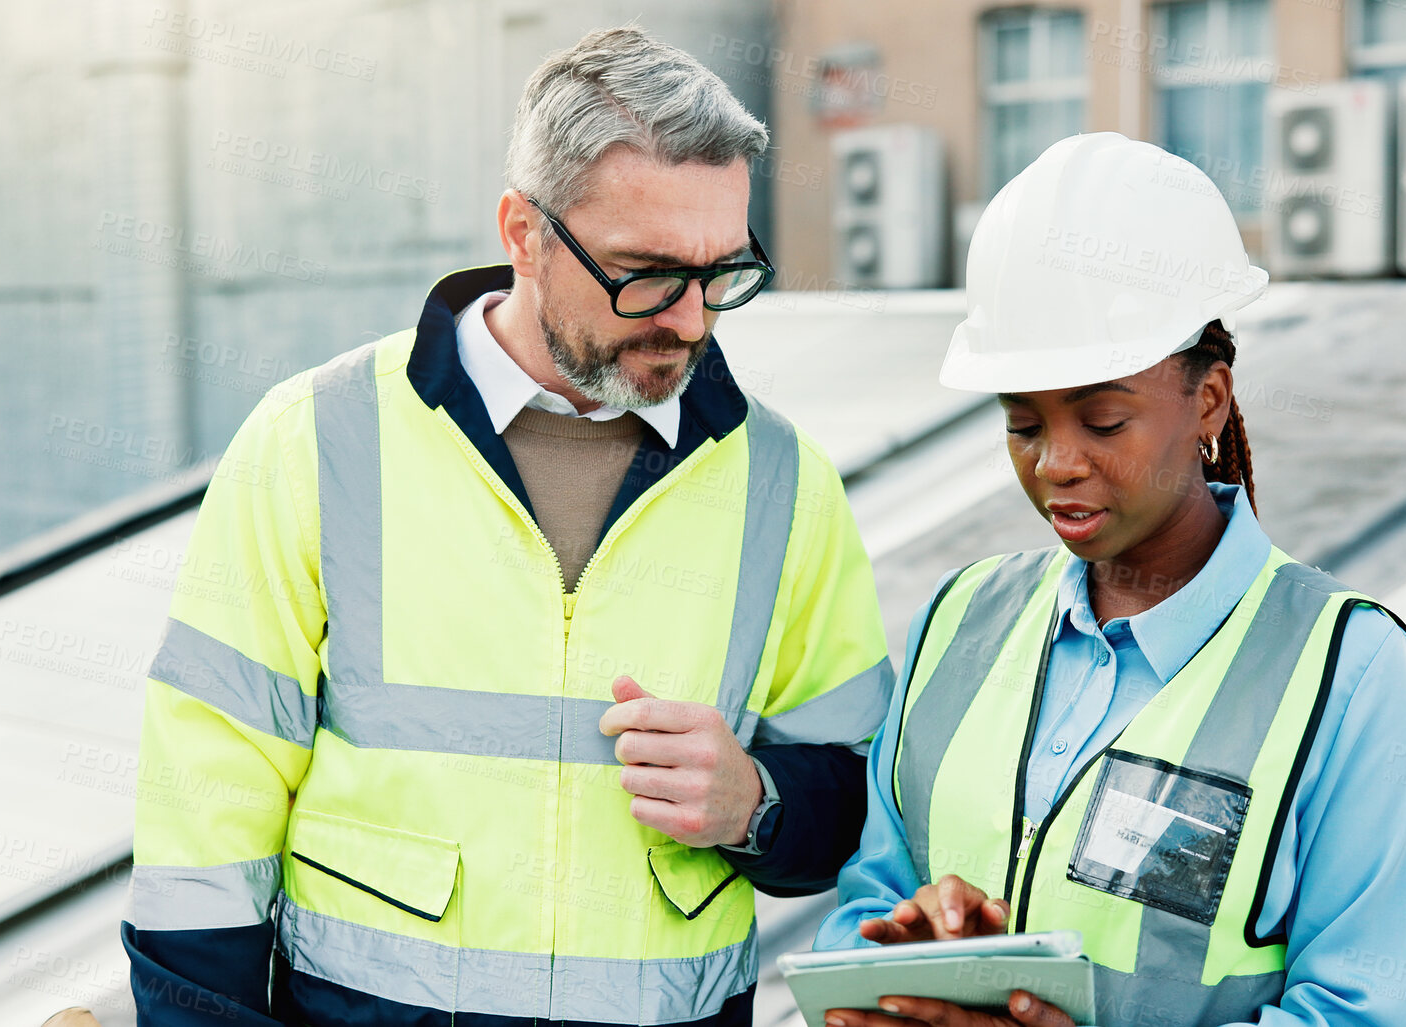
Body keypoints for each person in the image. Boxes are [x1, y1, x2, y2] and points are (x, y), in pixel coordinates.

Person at [121, 27, 891, 1026]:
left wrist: (757, 801)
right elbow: (203, 820)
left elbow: (860, 796)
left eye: (721, 272)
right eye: (646, 273)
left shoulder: (785, 481)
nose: (694, 320)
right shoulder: (315, 439)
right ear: (523, 234)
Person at [813, 133, 1406, 1027]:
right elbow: (861, 907)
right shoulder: (954, 622)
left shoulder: (1348, 672)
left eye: (1104, 420)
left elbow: (1353, 1011)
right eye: (1022, 425)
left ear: (1209, 401)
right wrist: (901, 959)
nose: (1057, 464)